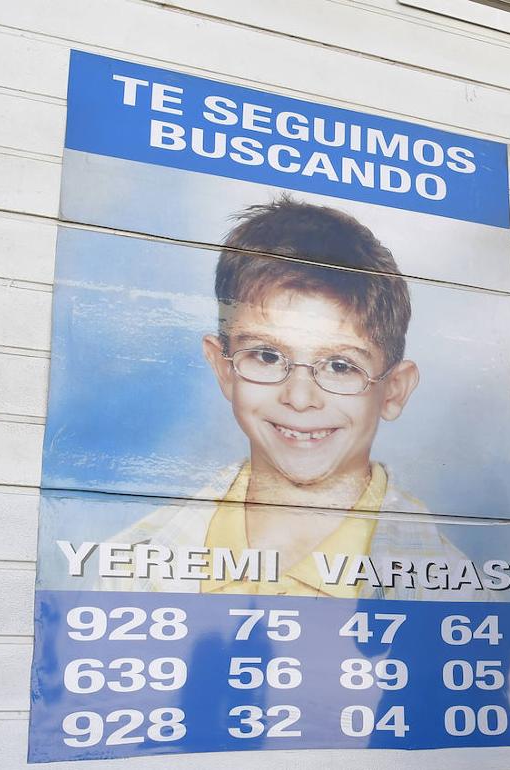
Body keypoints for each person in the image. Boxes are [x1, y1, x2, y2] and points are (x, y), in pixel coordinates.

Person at [98, 196, 479, 600]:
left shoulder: (459, 591)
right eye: (266, 355)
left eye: (340, 365)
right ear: (224, 368)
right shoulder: (128, 570)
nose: (299, 399)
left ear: (394, 390)